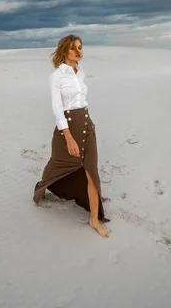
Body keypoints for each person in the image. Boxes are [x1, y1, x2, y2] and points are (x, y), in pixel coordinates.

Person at [33, 34, 110, 237]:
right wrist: (68, 137)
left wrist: (87, 123)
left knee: (91, 171)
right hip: (67, 128)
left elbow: (82, 101)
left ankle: (94, 219)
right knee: (57, 164)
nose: (78, 51)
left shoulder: (81, 72)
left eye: (80, 47)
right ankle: (40, 190)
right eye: (73, 48)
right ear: (64, 51)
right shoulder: (57, 76)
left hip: (86, 123)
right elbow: (58, 108)